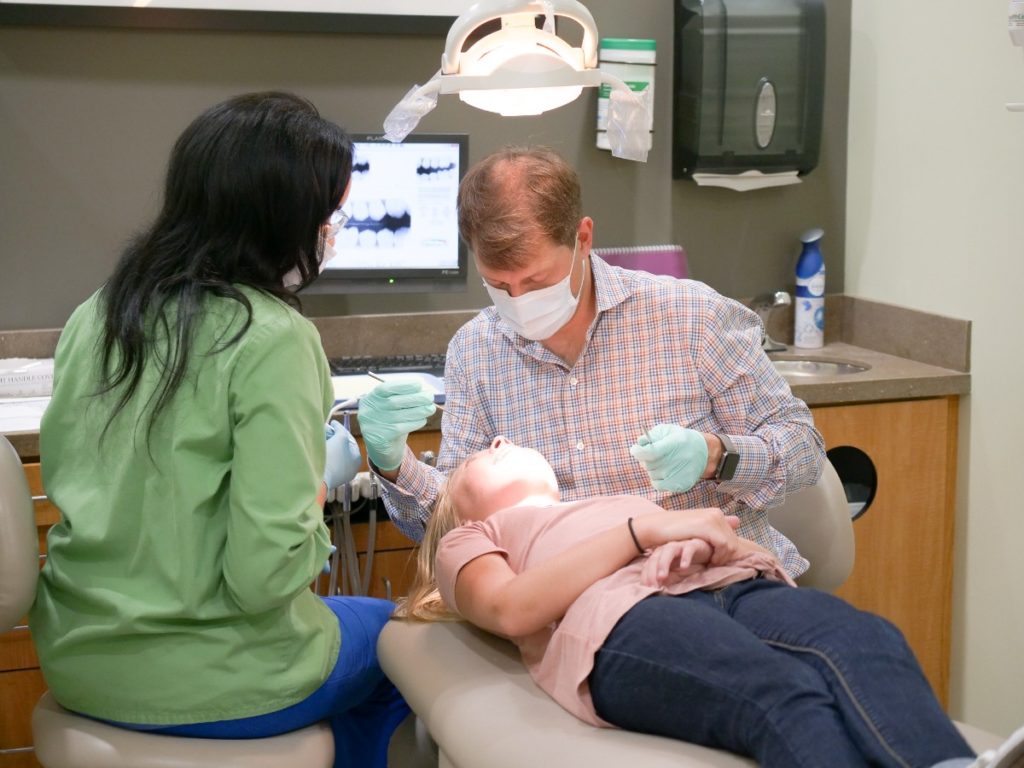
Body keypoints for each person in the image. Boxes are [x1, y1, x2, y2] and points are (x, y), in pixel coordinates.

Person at [30, 92, 408, 768]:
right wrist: (316, 494)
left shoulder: (96, 315)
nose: (333, 231)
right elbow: (264, 579)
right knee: (403, 638)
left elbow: (95, 479)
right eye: (330, 214)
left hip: (78, 661)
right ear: (279, 216)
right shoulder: (272, 338)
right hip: (219, 682)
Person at [397, 436, 1024, 768]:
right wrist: (644, 535)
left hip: (722, 580)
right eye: (482, 454)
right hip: (619, 621)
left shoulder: (603, 501)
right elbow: (510, 610)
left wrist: (696, 541)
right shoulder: (472, 538)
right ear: (460, 506)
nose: (500, 439)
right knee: (777, 689)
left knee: (864, 639)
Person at [357, 145, 825, 584]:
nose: (518, 301)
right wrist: (394, 464)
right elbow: (455, 526)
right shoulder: (476, 352)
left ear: (583, 238)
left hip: (721, 578)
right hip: (585, 604)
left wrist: (716, 456)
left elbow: (803, 449)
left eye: (536, 280)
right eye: (498, 285)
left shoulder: (691, 317)